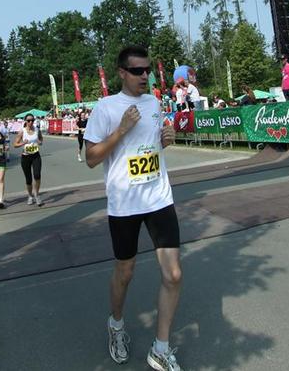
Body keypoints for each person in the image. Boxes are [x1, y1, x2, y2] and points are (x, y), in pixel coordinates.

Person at [85, 46, 181, 371]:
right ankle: (116, 325)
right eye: (138, 71)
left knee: (173, 274)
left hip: (158, 198)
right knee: (125, 273)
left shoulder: (154, 102)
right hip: (125, 204)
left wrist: (166, 138)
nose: (145, 76)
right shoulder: (106, 107)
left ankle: (161, 349)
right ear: (122, 73)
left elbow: (153, 144)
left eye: (148, 70)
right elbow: (91, 158)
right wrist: (121, 130)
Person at [14, 115, 44, 206]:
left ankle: (36, 195)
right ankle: (30, 196)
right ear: (25, 121)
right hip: (25, 157)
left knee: (37, 175)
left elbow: (41, 139)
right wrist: (23, 143)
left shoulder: (37, 130)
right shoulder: (22, 131)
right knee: (28, 179)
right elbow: (15, 144)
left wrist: (40, 142)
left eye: (32, 120)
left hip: (36, 156)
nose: (30, 122)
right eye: (28, 120)